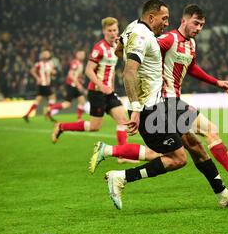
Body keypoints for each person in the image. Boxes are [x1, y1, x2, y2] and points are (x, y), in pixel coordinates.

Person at [94, 4, 228, 190]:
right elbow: (144, 54)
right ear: (184, 20)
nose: (199, 28)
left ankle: (224, 189)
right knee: (206, 133)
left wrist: (217, 82)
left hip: (173, 101)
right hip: (166, 102)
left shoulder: (191, 44)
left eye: (202, 25)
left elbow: (191, 68)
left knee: (194, 147)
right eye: (196, 23)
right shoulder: (168, 39)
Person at [51, 17, 158, 163]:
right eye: (109, 31)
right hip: (97, 92)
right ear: (103, 31)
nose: (113, 33)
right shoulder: (98, 48)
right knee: (95, 126)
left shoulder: (115, 46)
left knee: (123, 120)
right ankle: (61, 126)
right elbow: (89, 70)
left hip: (109, 92)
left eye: (115, 30)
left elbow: (114, 67)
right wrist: (101, 86)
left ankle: (123, 155)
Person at [46, 50, 87, 121]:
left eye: (83, 54)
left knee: (82, 101)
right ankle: (50, 108)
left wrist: (80, 79)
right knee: (67, 104)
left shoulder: (80, 63)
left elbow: (76, 74)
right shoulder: (75, 63)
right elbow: (70, 74)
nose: (83, 56)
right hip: (72, 85)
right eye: (81, 54)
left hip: (75, 85)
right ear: (77, 55)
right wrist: (78, 84)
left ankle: (79, 119)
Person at [22, 50, 57, 122]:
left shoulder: (50, 64)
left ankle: (27, 115)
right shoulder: (39, 64)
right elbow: (32, 71)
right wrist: (37, 78)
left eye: (48, 53)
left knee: (38, 101)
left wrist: (53, 73)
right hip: (43, 84)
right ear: (43, 56)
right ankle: (48, 114)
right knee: (52, 97)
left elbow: (52, 72)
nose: (47, 54)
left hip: (46, 84)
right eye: (46, 54)